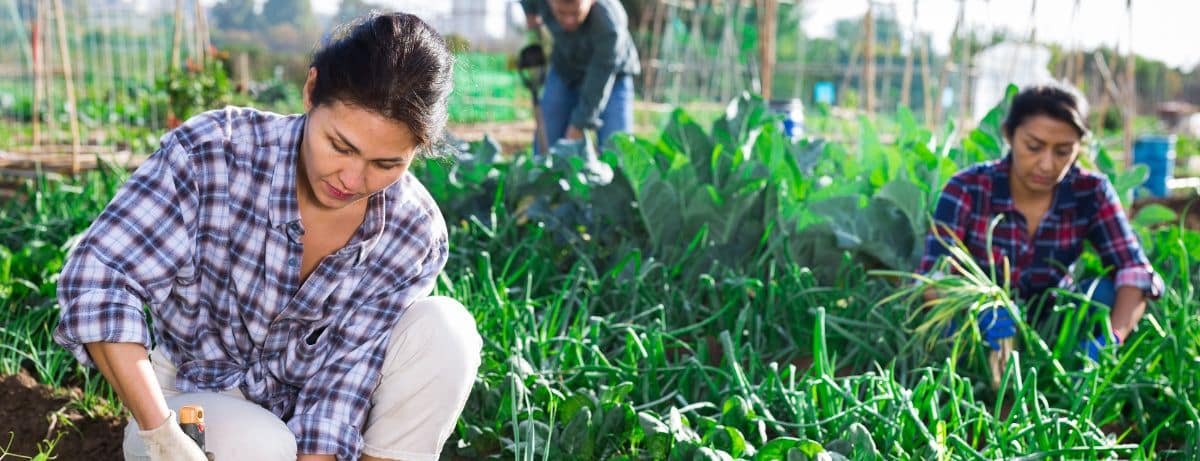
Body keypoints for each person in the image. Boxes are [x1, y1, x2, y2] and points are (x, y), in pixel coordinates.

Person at [53, 12, 481, 461]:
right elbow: (99, 278)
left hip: (303, 410)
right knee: (263, 446)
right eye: (340, 146)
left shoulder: (412, 231)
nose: (352, 180)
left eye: (386, 164)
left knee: (446, 331)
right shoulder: (215, 153)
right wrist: (160, 433)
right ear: (312, 90)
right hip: (191, 404)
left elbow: (341, 385)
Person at [919, 82, 1163, 363]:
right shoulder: (968, 189)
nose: (1046, 164)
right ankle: (971, 374)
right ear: (1009, 135)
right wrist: (978, 307)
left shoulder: (1091, 192)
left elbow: (1134, 271)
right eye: (1033, 147)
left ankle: (1069, 370)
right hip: (976, 327)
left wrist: (1114, 338)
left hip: (1054, 321)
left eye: (1062, 152)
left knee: (1102, 294)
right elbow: (931, 278)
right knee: (945, 329)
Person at [520, 0, 640, 152]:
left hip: (611, 77)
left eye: (576, 13)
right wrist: (534, 38)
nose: (569, 20)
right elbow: (529, 8)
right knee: (546, 145)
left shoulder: (609, 21)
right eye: (561, 13)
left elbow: (599, 77)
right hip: (565, 70)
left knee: (618, 149)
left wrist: (579, 124)